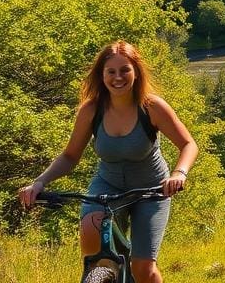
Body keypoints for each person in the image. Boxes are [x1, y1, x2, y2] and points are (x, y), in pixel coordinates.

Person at [18, 41, 198, 283]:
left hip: (151, 190)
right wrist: (40, 182)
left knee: (143, 267)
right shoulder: (92, 110)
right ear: (101, 75)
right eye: (110, 71)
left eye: (125, 70)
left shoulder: (152, 107)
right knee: (93, 234)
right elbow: (70, 155)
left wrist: (179, 174)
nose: (118, 77)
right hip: (107, 186)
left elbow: (188, 144)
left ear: (136, 71)